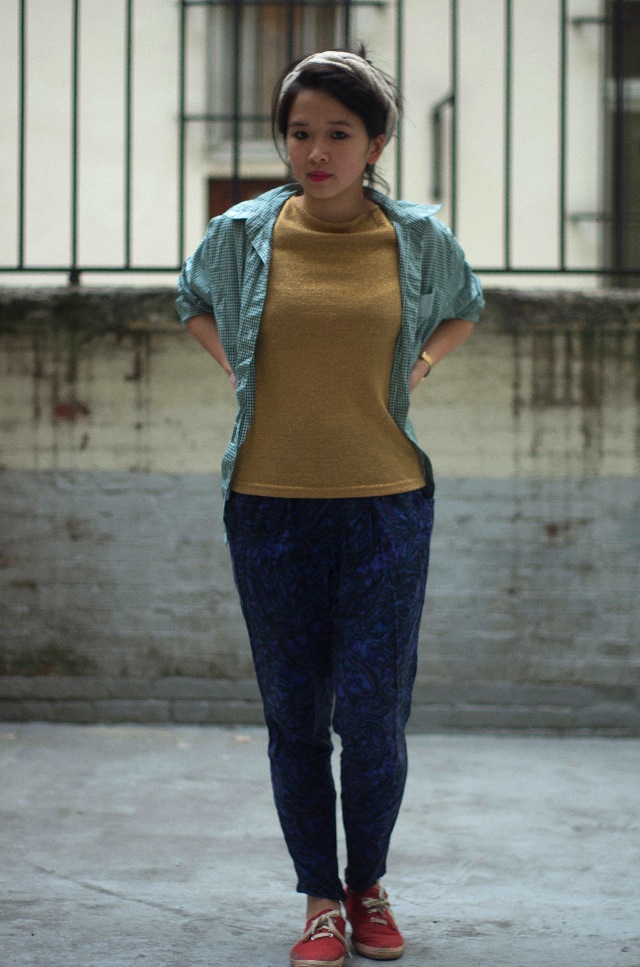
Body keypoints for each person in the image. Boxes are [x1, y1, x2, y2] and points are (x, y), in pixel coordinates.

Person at [176, 47, 483, 967]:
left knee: (373, 712)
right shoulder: (242, 233)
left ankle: (369, 885)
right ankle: (319, 899)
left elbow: (464, 305)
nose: (316, 152)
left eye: (338, 134)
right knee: (295, 715)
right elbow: (191, 299)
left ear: (374, 144)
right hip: (267, 505)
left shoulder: (416, 238)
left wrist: (419, 364)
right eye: (300, 132)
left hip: (387, 505)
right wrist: (237, 369)